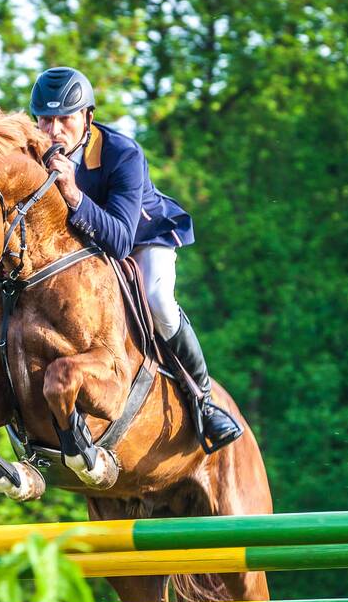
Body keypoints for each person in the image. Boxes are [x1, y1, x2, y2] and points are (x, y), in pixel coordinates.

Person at [29, 66, 244, 452]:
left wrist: (72, 193)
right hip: (81, 246)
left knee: (158, 299)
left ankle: (203, 399)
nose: (54, 131)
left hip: (141, 236)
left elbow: (119, 238)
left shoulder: (122, 154)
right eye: (45, 120)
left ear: (87, 118)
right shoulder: (34, 151)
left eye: (65, 119)